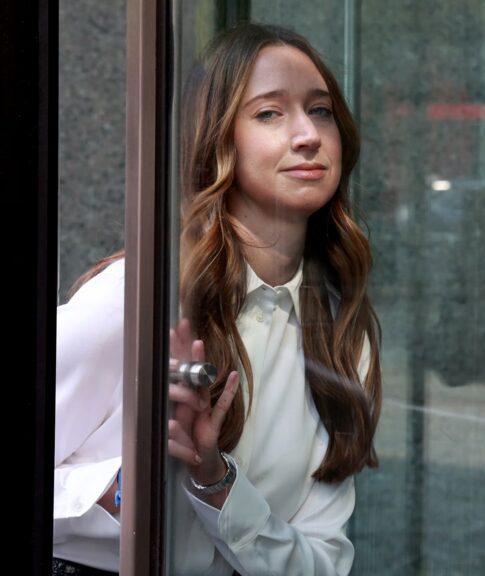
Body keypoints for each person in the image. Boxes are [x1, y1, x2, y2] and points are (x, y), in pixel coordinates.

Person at [53, 22, 382, 575]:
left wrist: (215, 481)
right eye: (269, 113)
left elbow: (321, 563)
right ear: (217, 137)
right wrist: (126, 488)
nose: (308, 134)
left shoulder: (343, 334)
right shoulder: (136, 299)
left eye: (321, 110)